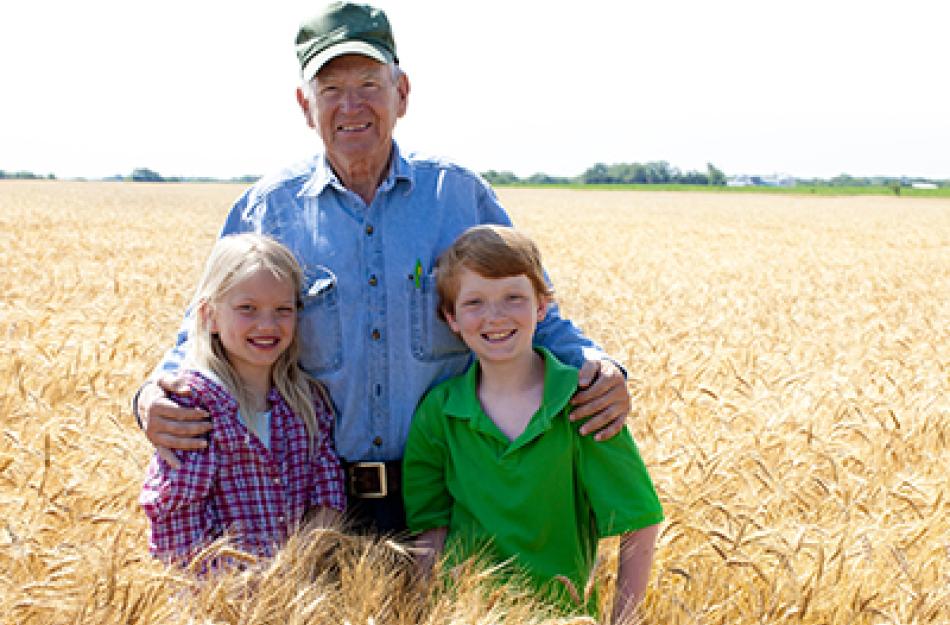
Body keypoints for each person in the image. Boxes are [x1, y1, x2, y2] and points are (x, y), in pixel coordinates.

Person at [133, 1, 632, 533]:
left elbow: (531, 311)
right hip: (312, 501)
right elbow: (204, 330)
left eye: (369, 84)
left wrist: (599, 366)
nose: (352, 106)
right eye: (331, 90)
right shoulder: (267, 209)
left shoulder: (459, 198)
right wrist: (152, 397)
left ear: (402, 93)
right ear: (305, 105)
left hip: (450, 494)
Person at [402, 225, 663, 621]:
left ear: (542, 307)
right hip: (464, 616)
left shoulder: (583, 402)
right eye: (474, 302)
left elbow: (639, 522)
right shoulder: (438, 414)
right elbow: (431, 532)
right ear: (450, 318)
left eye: (513, 297)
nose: (495, 316)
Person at [139, 234, 345, 565]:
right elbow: (177, 524)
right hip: (213, 606)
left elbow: (328, 496)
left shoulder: (307, 403)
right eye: (247, 309)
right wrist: (240, 593)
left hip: (297, 596)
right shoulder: (194, 408)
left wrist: (292, 571)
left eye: (283, 310)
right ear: (209, 316)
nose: (267, 324)